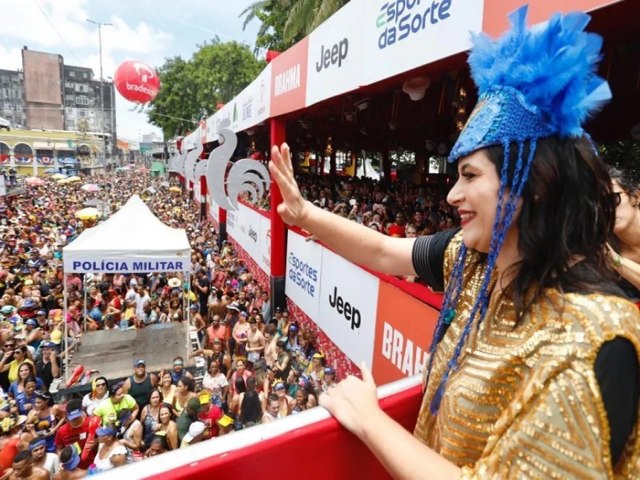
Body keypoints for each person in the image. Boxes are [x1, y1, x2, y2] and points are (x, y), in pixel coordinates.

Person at [269, 7, 640, 478]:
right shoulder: (472, 262)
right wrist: (304, 216)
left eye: (469, 176)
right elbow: (387, 252)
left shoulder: (592, 339)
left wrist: (369, 419)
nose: (452, 195)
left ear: (534, 185)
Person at [607, 166, 640, 300]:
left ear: (635, 197)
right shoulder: (600, 247)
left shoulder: (608, 254)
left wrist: (616, 260)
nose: (606, 209)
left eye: (612, 199)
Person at [53, 399, 100, 470]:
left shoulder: (92, 423)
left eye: (76, 417)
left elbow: (104, 438)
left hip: (93, 466)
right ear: (66, 415)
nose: (74, 420)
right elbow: (59, 449)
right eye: (72, 418)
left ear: (81, 412)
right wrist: (63, 458)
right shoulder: (61, 431)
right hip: (74, 469)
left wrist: (96, 441)